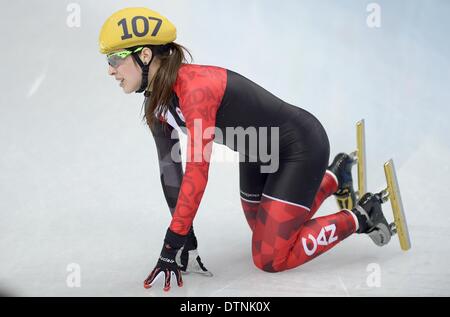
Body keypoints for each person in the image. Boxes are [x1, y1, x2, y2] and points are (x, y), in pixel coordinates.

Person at [98, 7, 393, 292]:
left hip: (300, 147)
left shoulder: (194, 89)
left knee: (270, 257)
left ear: (145, 54)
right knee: (264, 233)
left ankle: (363, 215)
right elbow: (170, 169)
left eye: (114, 59)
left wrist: (172, 240)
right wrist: (184, 234)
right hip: (257, 154)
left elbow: (197, 171)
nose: (110, 70)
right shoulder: (156, 102)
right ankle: (334, 177)